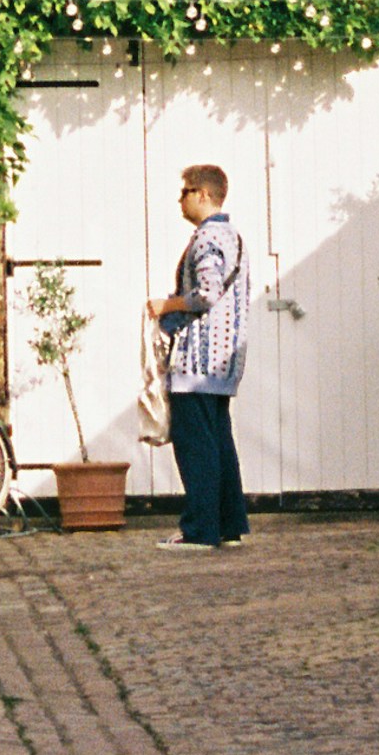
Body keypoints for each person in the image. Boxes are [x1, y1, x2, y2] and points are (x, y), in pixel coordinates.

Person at [147, 162, 251, 554]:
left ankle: (200, 529)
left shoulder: (207, 237)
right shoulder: (232, 236)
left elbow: (207, 292)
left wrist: (166, 305)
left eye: (185, 191)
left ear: (203, 194)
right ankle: (228, 524)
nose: (180, 200)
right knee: (219, 441)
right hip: (224, 359)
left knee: (196, 445)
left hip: (199, 357)